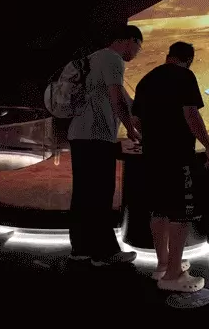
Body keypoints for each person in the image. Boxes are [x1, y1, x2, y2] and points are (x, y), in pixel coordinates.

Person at [131, 41, 209, 292]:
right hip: (178, 156)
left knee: (158, 210)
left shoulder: (146, 79)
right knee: (180, 214)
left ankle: (163, 264)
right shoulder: (185, 76)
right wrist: (208, 146)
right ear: (188, 60)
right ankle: (173, 275)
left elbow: (135, 121)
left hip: (152, 156)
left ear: (168, 56)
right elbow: (191, 115)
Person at [67, 25, 143, 266]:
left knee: (82, 194)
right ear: (131, 40)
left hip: (79, 134)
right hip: (97, 136)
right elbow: (117, 98)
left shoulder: (94, 58)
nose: (136, 54)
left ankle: (80, 248)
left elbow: (124, 99)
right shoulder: (112, 59)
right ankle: (105, 252)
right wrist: (130, 129)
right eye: (138, 48)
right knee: (100, 193)